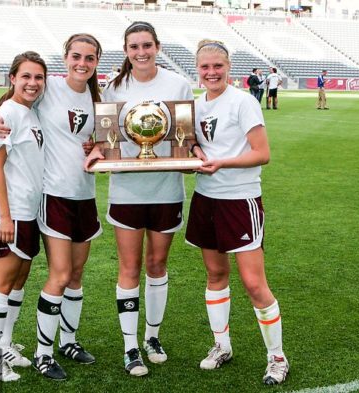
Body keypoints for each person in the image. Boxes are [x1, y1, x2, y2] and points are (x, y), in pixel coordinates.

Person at [0, 34, 104, 381]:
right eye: (76, 56)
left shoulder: (99, 96)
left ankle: (65, 342)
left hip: (81, 195)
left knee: (72, 275)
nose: (82, 63)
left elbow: (105, 137)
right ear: (66, 58)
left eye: (90, 58)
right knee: (58, 275)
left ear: (96, 62)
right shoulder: (47, 88)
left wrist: (98, 148)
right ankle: (38, 354)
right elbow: (2, 106)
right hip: (51, 198)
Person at [84, 21, 194, 377]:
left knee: (157, 265)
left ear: (157, 46)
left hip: (166, 188)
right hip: (127, 189)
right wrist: (97, 151)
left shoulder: (177, 83)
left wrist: (192, 155)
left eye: (147, 45)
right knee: (129, 267)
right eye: (134, 47)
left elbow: (184, 136)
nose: (141, 52)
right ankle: (130, 346)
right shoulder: (114, 87)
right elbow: (106, 138)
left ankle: (152, 337)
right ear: (126, 50)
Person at [186, 39, 289, 386]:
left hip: (239, 200)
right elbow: (194, 146)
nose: (211, 72)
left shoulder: (243, 102)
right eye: (205, 67)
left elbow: (262, 153)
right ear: (197, 70)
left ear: (228, 67)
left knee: (253, 283)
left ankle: (277, 357)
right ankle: (221, 345)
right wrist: (196, 152)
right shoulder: (195, 106)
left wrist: (221, 162)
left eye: (218, 66)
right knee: (215, 275)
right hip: (206, 198)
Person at [0, 51, 46, 382]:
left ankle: (5, 344)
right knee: (3, 283)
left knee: (19, 280)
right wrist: (5, 217)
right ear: (13, 79)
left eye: (38, 77)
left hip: (28, 212)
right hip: (10, 213)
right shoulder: (9, 112)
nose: (33, 83)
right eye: (26, 76)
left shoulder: (28, 112)